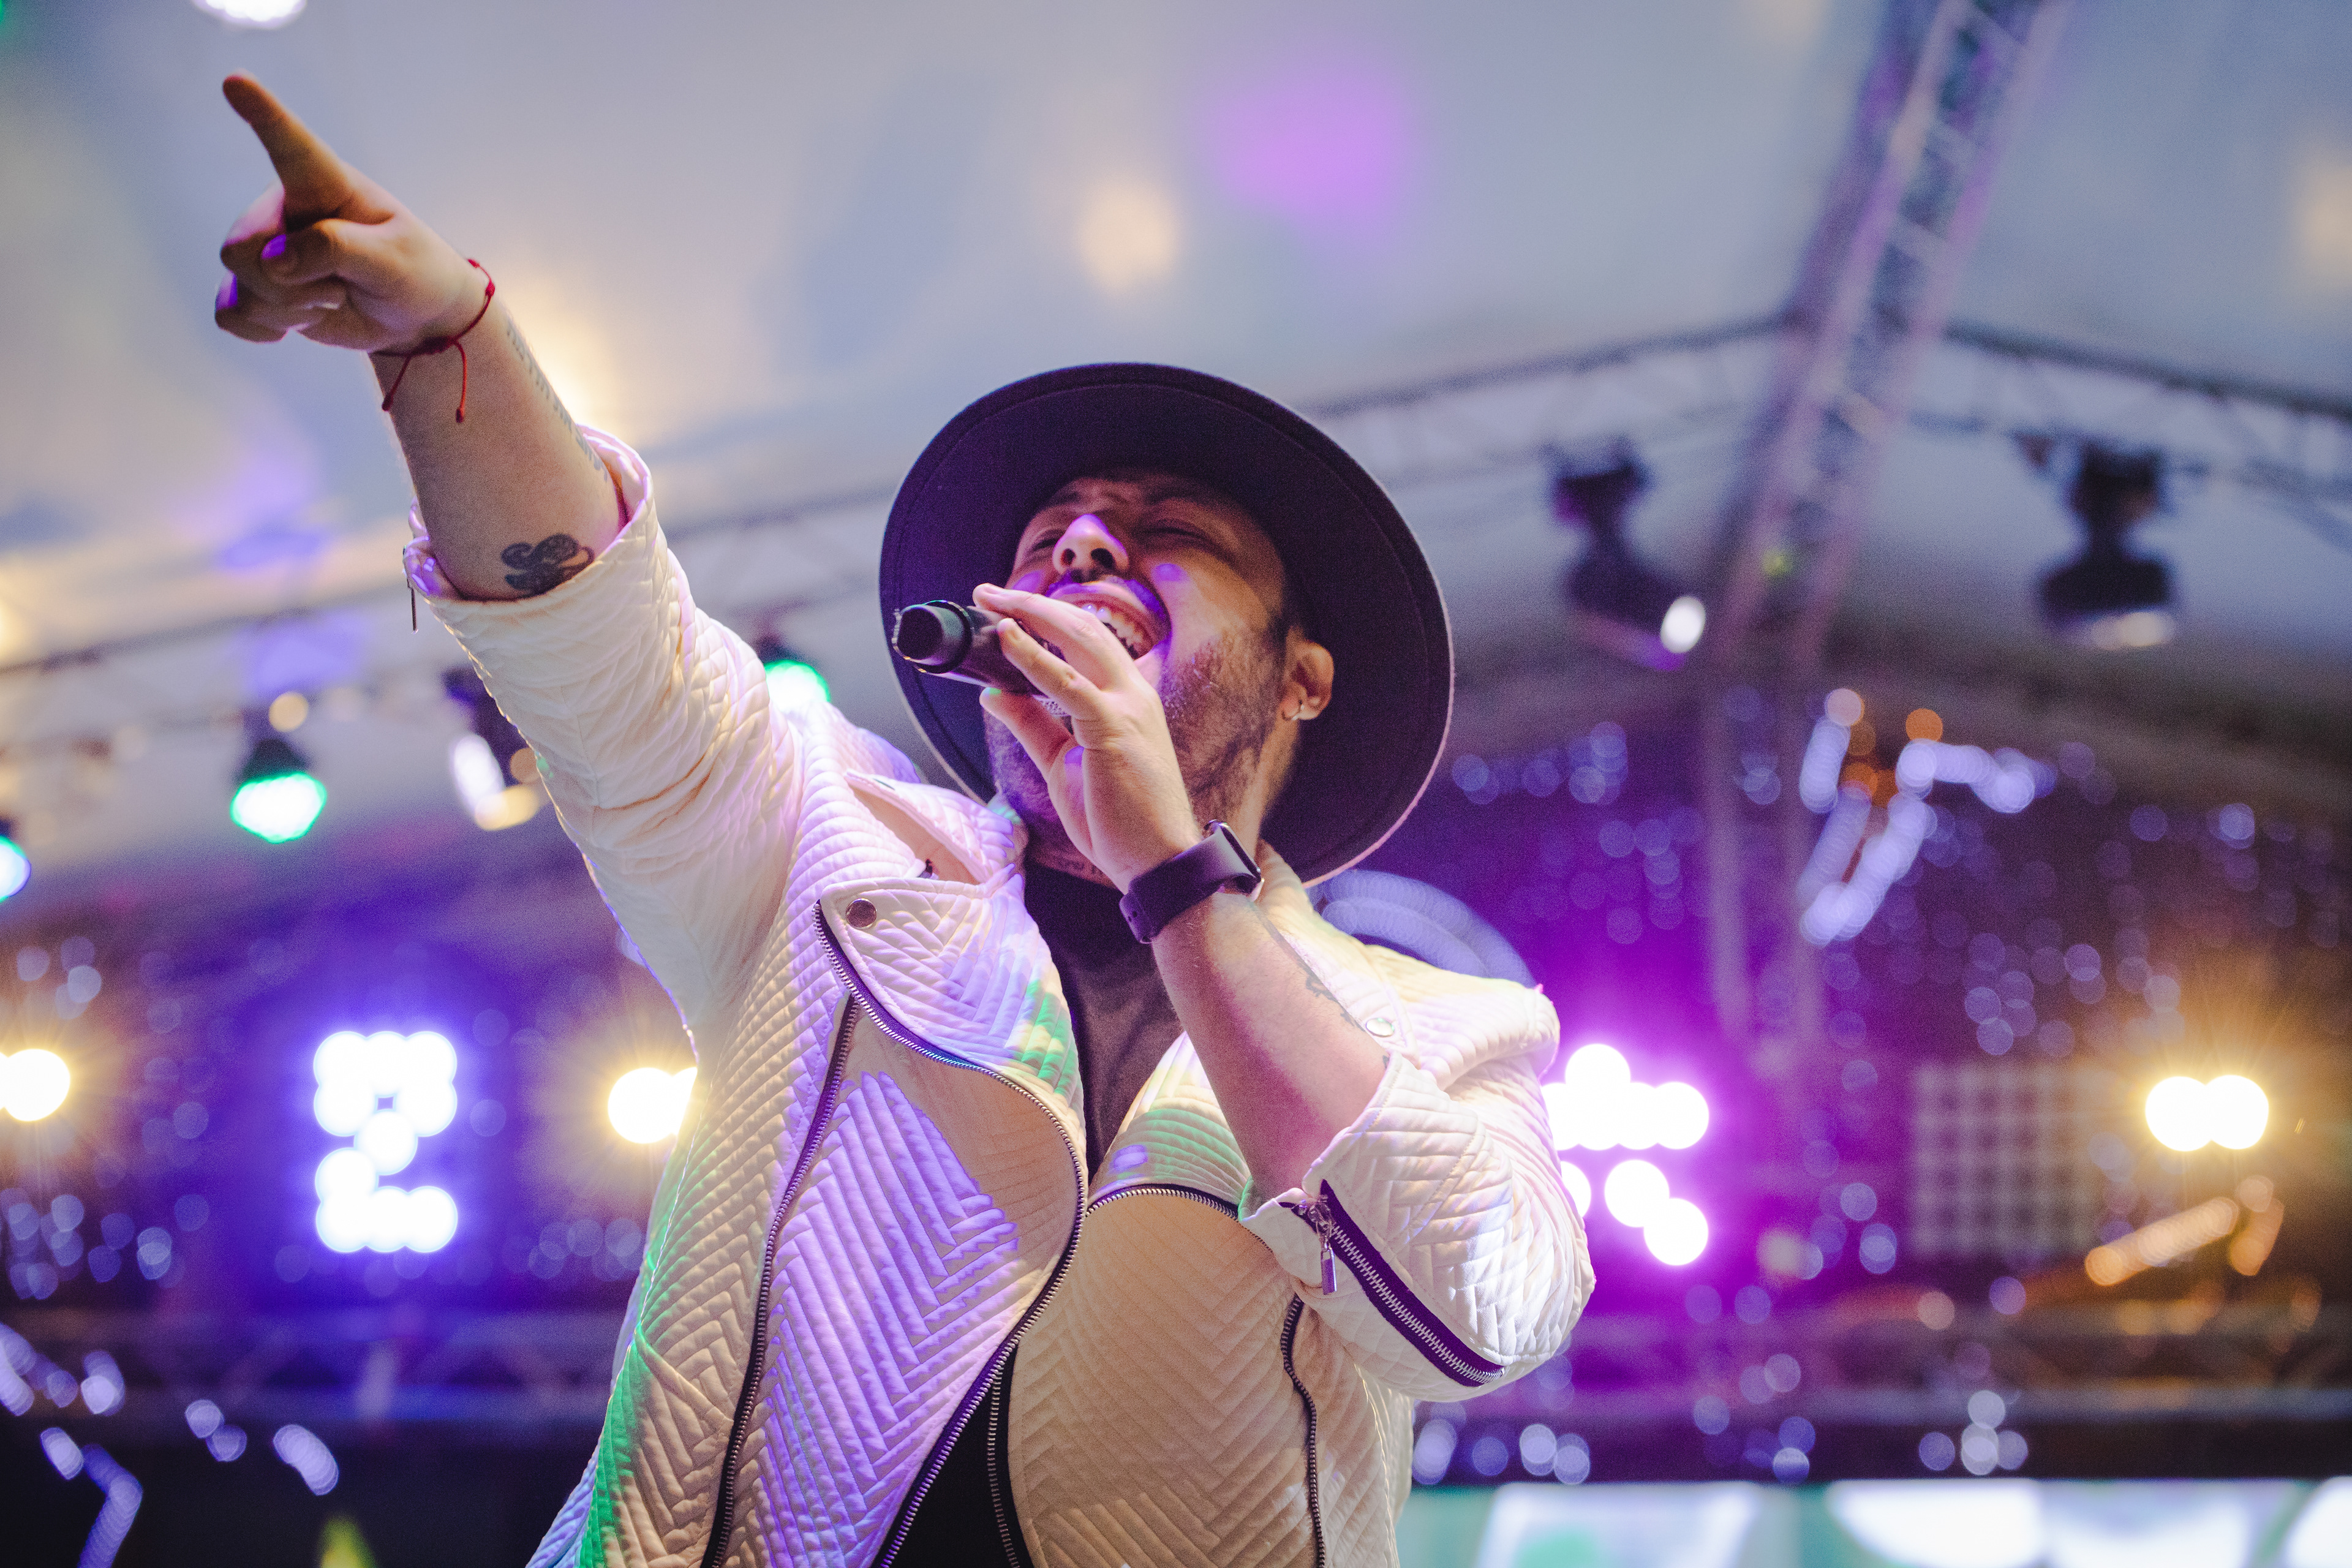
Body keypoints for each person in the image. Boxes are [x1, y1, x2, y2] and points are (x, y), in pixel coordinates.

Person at [212, 74, 1590, 1568]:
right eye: (1053, 531)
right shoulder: (825, 844)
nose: (1084, 540)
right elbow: (606, 647)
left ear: (1302, 676)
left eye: (1169, 531)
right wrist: (449, 343)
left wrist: (1174, 876)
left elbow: (1477, 1316)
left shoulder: (1445, 1029)